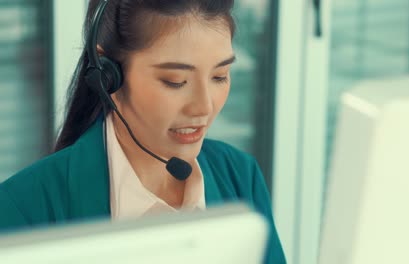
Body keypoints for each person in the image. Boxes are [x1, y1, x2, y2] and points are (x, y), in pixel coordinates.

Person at [0, 0, 285, 263]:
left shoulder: (239, 177)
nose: (203, 107)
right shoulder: (22, 209)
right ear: (108, 75)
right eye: (176, 81)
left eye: (219, 76)